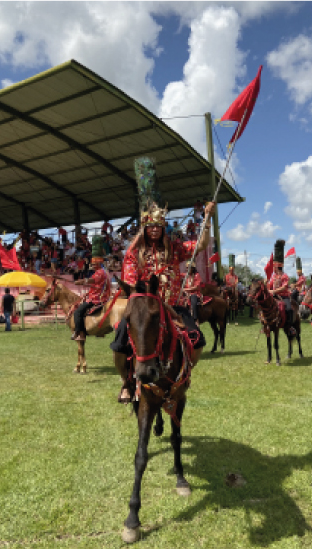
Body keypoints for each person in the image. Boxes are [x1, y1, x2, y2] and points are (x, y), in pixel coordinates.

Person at [110, 155, 214, 403]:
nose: (155, 229)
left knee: (197, 338)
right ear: (144, 228)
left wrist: (207, 219)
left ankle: (183, 373)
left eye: (159, 225)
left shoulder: (175, 247)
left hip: (174, 306)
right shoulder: (135, 253)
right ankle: (126, 381)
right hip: (146, 309)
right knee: (120, 341)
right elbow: (133, 282)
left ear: (163, 226)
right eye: (150, 226)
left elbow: (200, 245)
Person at [71, 236, 111, 342]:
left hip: (97, 298)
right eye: (92, 264)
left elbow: (89, 281)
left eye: (93, 264)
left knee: (77, 312)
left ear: (98, 264)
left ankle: (79, 333)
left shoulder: (99, 273)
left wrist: (80, 282)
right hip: (100, 295)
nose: (92, 266)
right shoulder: (104, 271)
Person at [267, 239, 296, 335]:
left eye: (274, 267)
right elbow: (270, 285)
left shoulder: (285, 276)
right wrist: (267, 287)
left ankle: (290, 326)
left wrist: (273, 291)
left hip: (284, 296)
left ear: (277, 267)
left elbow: (284, 287)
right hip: (274, 296)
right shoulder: (273, 276)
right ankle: (266, 324)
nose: (273, 268)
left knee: (289, 309)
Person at [184, 261, 203, 326]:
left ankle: (195, 319)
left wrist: (185, 289)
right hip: (187, 293)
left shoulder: (197, 275)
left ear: (192, 268)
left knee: (193, 301)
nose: (187, 269)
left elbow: (196, 287)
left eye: (188, 268)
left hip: (195, 293)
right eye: (186, 268)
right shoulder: (186, 276)